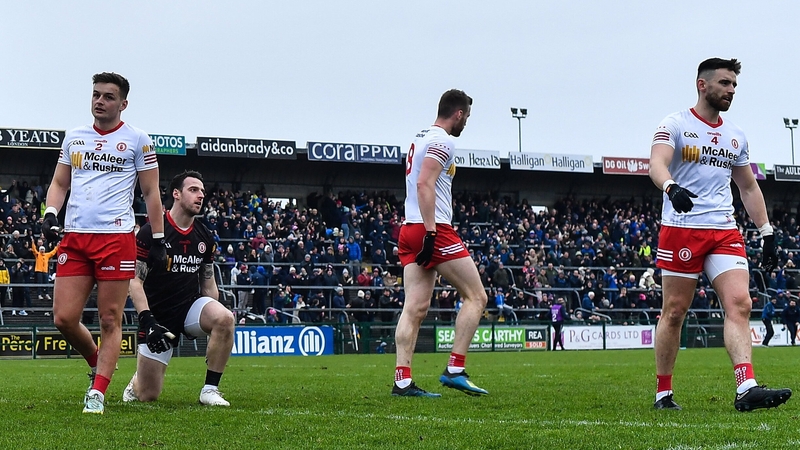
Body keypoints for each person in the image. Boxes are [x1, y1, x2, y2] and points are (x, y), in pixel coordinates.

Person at [649, 58, 791, 411]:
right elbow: (657, 163)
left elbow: (747, 186)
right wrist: (670, 187)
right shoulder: (675, 124)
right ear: (702, 84)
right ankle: (663, 393)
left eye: (734, 85)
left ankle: (746, 388)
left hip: (724, 230)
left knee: (740, 304)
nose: (731, 90)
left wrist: (766, 231)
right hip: (682, 229)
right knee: (675, 311)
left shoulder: (735, 136)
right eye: (725, 83)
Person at [43, 72, 166, 414]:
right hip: (76, 238)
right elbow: (59, 183)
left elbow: (151, 191)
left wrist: (158, 237)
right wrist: (51, 213)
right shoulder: (74, 138)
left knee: (110, 319)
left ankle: (97, 392)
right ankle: (99, 362)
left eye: (108, 96)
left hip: (116, 239)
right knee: (64, 319)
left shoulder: (138, 139)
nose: (100, 100)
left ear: (123, 103)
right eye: (96, 94)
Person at [393, 89, 488, 397]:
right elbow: (424, 182)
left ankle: (403, 381)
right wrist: (433, 232)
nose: (466, 124)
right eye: (467, 117)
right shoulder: (444, 140)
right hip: (430, 227)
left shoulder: (420, 137)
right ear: (458, 114)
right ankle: (455, 368)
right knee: (476, 297)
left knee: (415, 309)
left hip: (408, 228)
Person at [123, 170, 235, 407]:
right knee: (148, 395)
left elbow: (208, 284)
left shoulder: (205, 237)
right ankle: (135, 383)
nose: (200, 196)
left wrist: (214, 316)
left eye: (202, 191)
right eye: (193, 190)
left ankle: (210, 390)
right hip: (158, 316)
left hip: (189, 308)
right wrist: (148, 321)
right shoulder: (150, 231)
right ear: (176, 194)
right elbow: (135, 281)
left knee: (225, 318)